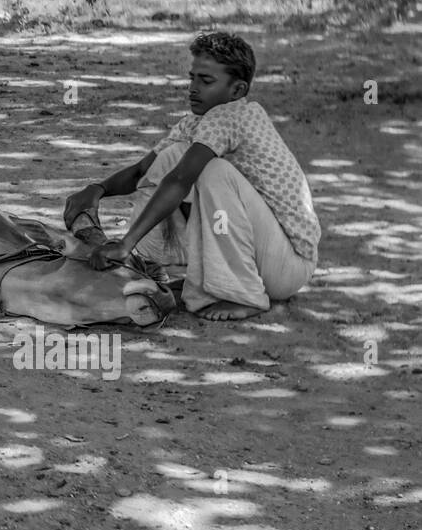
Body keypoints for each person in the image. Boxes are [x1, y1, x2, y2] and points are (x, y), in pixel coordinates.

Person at [62, 30, 319, 321]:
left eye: (206, 81)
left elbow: (180, 180)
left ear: (237, 90)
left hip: (287, 265)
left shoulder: (231, 116)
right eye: (192, 78)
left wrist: (125, 242)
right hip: (261, 254)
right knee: (174, 155)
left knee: (212, 171)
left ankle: (243, 295)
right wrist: (97, 190)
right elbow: (143, 172)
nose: (193, 88)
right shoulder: (196, 122)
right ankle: (157, 263)